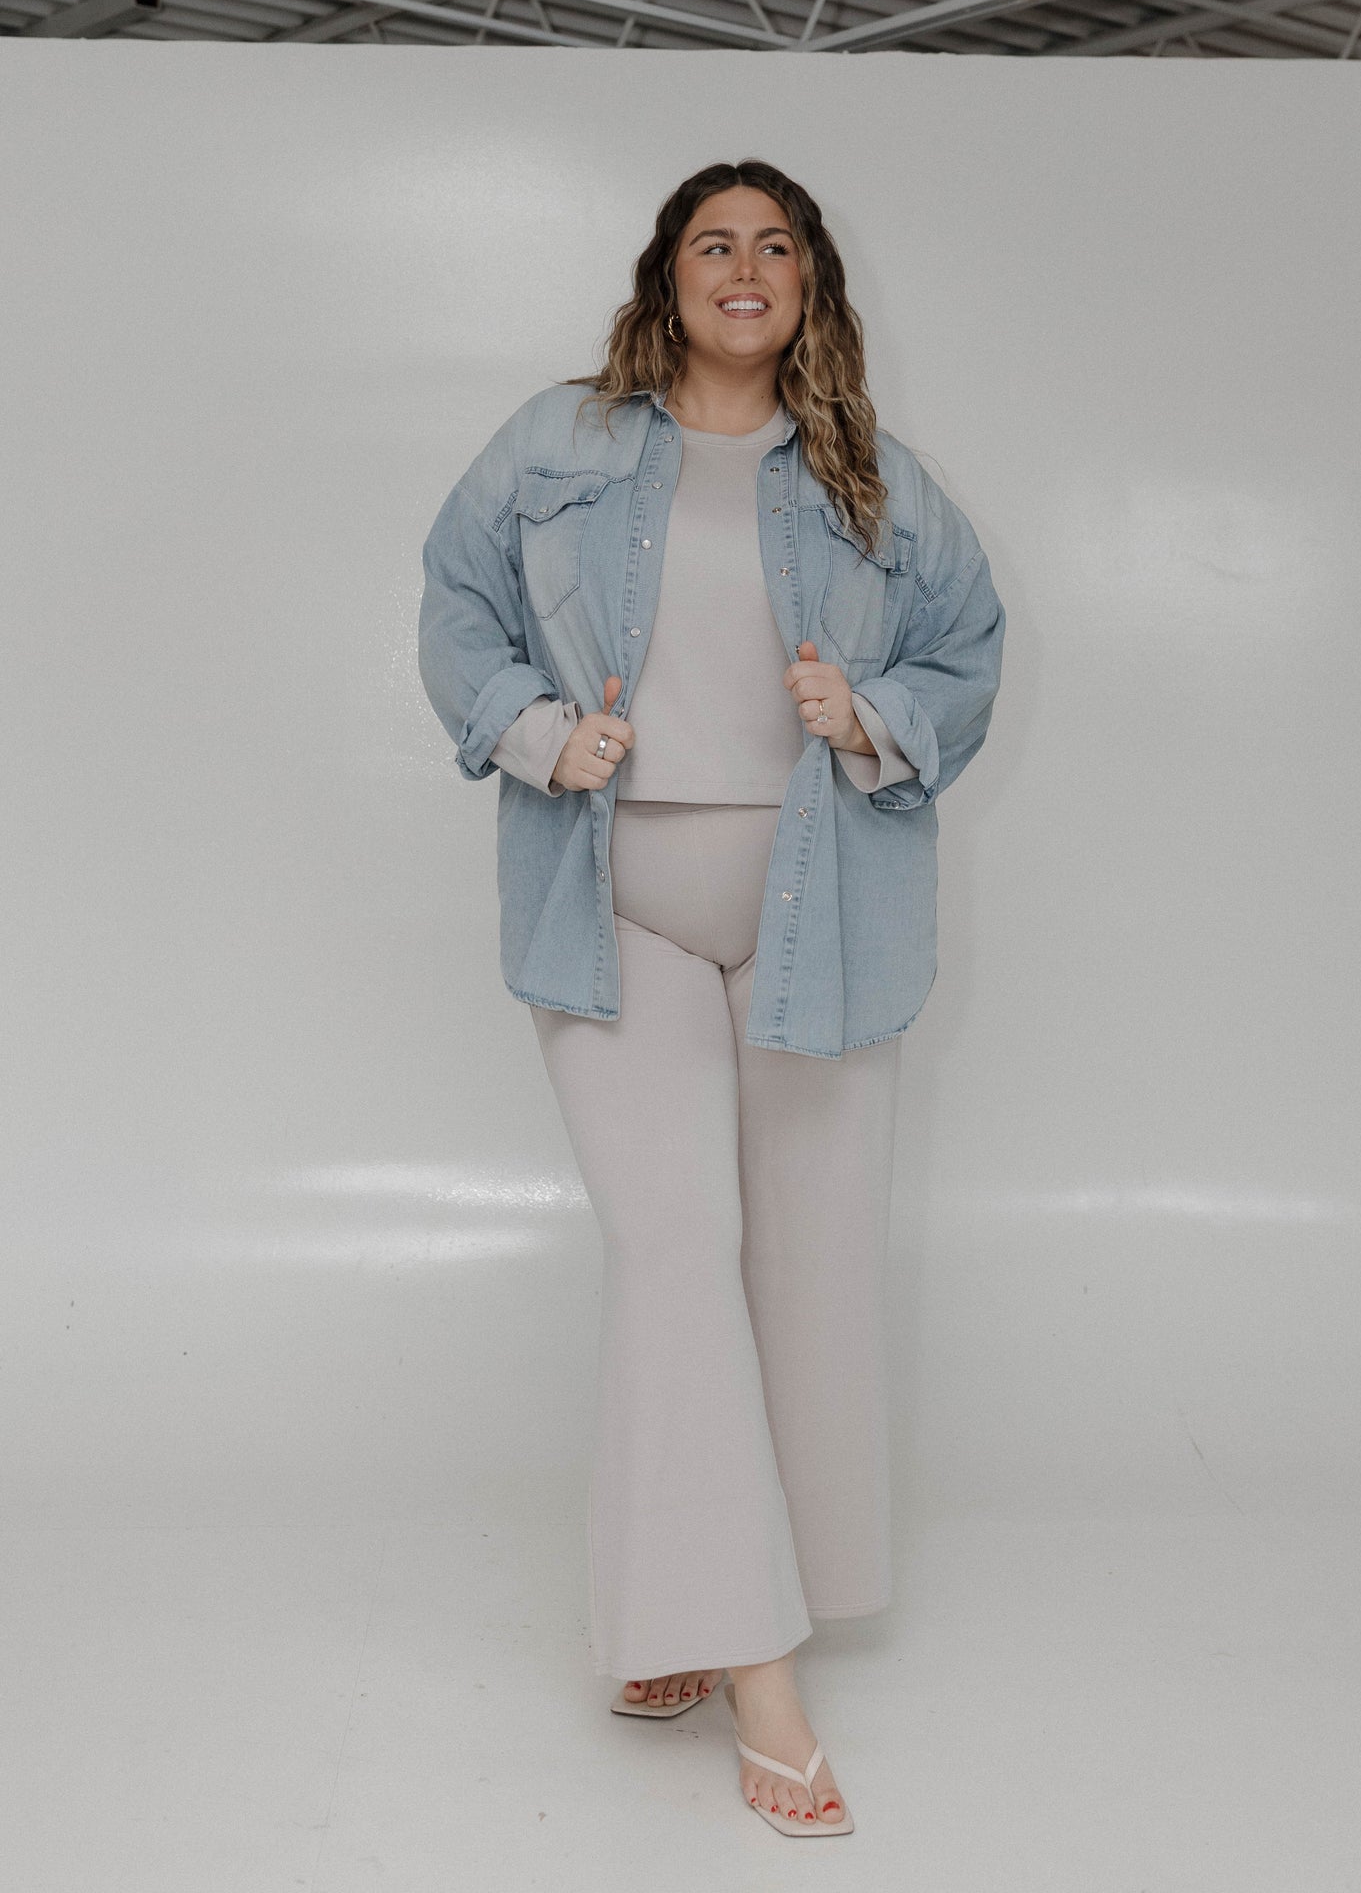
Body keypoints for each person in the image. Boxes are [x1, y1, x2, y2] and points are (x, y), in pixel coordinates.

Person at [418, 159, 1005, 1837]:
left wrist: (868, 706)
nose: (742, 270)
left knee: (805, 1270)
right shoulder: (559, 441)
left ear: (809, 284)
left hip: (825, 913)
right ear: (662, 278)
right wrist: (541, 733)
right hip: (618, 904)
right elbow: (454, 615)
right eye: (710, 244)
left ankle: (679, 1611)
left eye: (774, 247)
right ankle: (756, 1672)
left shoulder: (871, 476)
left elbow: (970, 651)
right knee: (676, 1252)